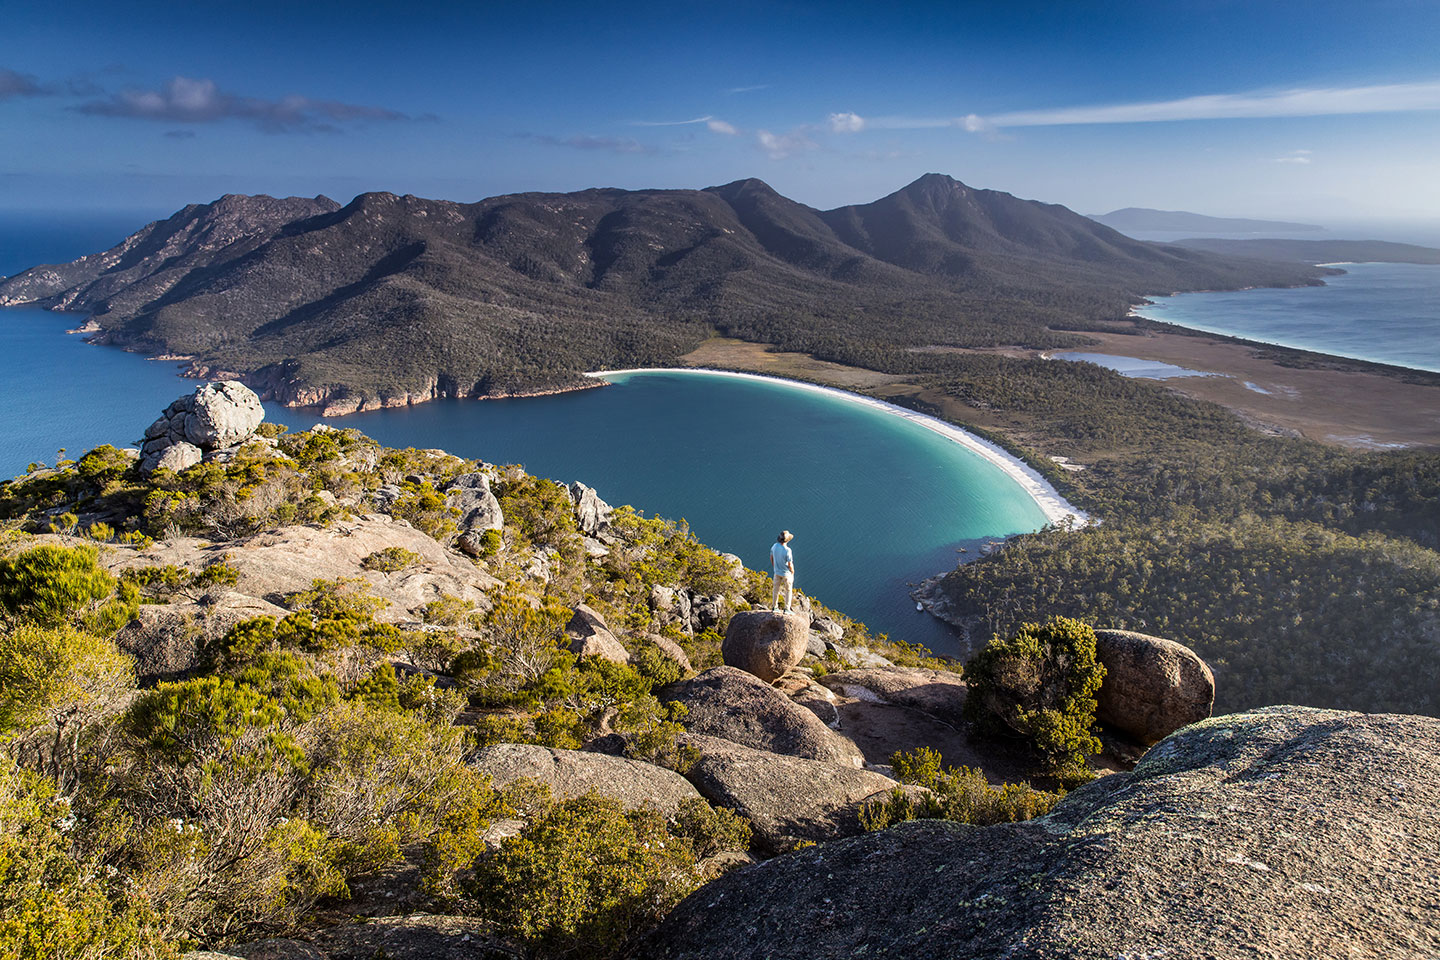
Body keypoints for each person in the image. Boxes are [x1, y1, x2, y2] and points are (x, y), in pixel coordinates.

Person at [770, 530, 795, 613]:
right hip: (786, 573)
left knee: (775, 590)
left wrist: (775, 567)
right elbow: (790, 563)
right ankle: (787, 609)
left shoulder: (774, 546)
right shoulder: (788, 550)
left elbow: (771, 557)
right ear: (787, 540)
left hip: (777, 572)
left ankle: (774, 607)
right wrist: (792, 571)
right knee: (788, 590)